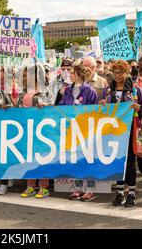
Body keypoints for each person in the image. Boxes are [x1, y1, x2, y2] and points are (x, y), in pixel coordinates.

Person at [103, 60, 142, 207]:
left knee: (130, 163)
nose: (117, 75)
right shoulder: (109, 90)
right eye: (114, 72)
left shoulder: (135, 89)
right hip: (113, 131)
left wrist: (139, 107)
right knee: (118, 161)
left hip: (130, 130)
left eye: (120, 72)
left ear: (126, 72)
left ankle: (132, 193)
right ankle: (120, 192)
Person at [58, 64, 99, 201]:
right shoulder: (68, 90)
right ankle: (78, 187)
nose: (70, 74)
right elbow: (62, 107)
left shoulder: (89, 91)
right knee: (75, 159)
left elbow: (95, 111)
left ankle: (90, 189)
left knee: (88, 160)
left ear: (79, 74)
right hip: (71, 129)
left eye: (72, 72)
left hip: (86, 130)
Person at [18, 66, 51, 199]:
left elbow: (53, 107)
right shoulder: (23, 92)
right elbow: (18, 108)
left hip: (41, 130)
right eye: (24, 76)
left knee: (42, 158)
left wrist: (46, 106)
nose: (25, 78)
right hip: (26, 129)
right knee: (28, 158)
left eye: (27, 75)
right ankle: (30, 186)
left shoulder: (46, 91)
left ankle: (44, 187)